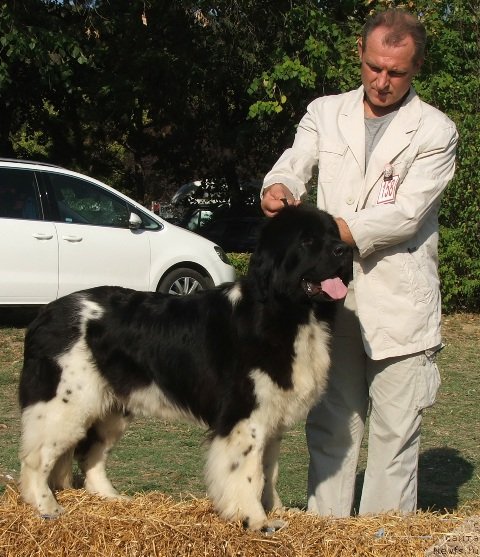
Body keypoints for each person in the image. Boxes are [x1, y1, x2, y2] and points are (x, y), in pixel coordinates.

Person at [260, 8, 458, 517]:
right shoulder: (325, 112)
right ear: (360, 53)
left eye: (397, 72)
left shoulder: (436, 131)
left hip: (399, 305)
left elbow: (405, 214)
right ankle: (326, 534)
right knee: (331, 423)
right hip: (331, 302)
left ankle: (384, 541)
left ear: (416, 69)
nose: (382, 81)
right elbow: (294, 160)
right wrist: (279, 187)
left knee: (394, 436)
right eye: (374, 67)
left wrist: (319, 236)